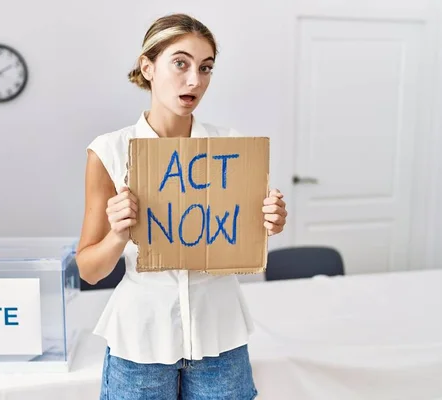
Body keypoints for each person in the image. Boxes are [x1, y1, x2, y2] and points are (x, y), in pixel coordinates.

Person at [76, 13, 287, 400]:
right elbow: (89, 269)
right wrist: (119, 234)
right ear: (148, 67)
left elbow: (239, 236)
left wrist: (268, 221)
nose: (195, 80)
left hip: (219, 336)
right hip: (140, 339)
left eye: (206, 68)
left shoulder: (233, 149)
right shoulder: (109, 151)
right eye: (180, 63)